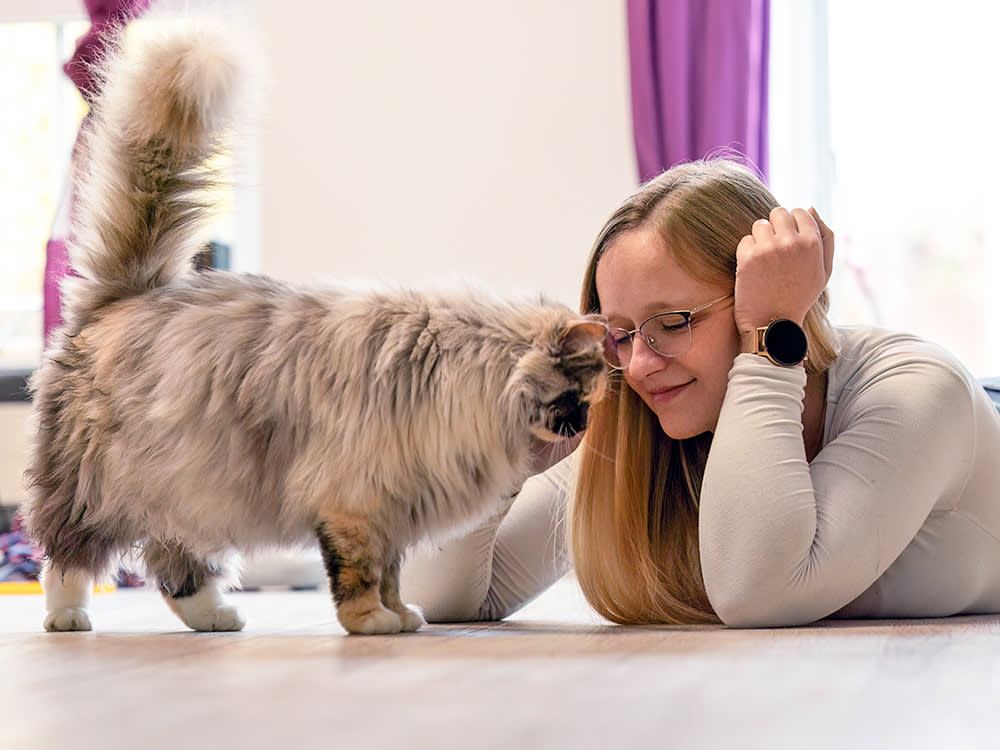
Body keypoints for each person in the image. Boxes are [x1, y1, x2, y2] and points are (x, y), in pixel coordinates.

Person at [399, 158, 1000, 627]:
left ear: (764, 299)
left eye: (673, 322)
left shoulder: (918, 391)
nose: (637, 364)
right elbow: (444, 598)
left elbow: (757, 592)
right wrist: (507, 466)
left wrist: (771, 338)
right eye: (621, 333)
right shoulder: (665, 421)